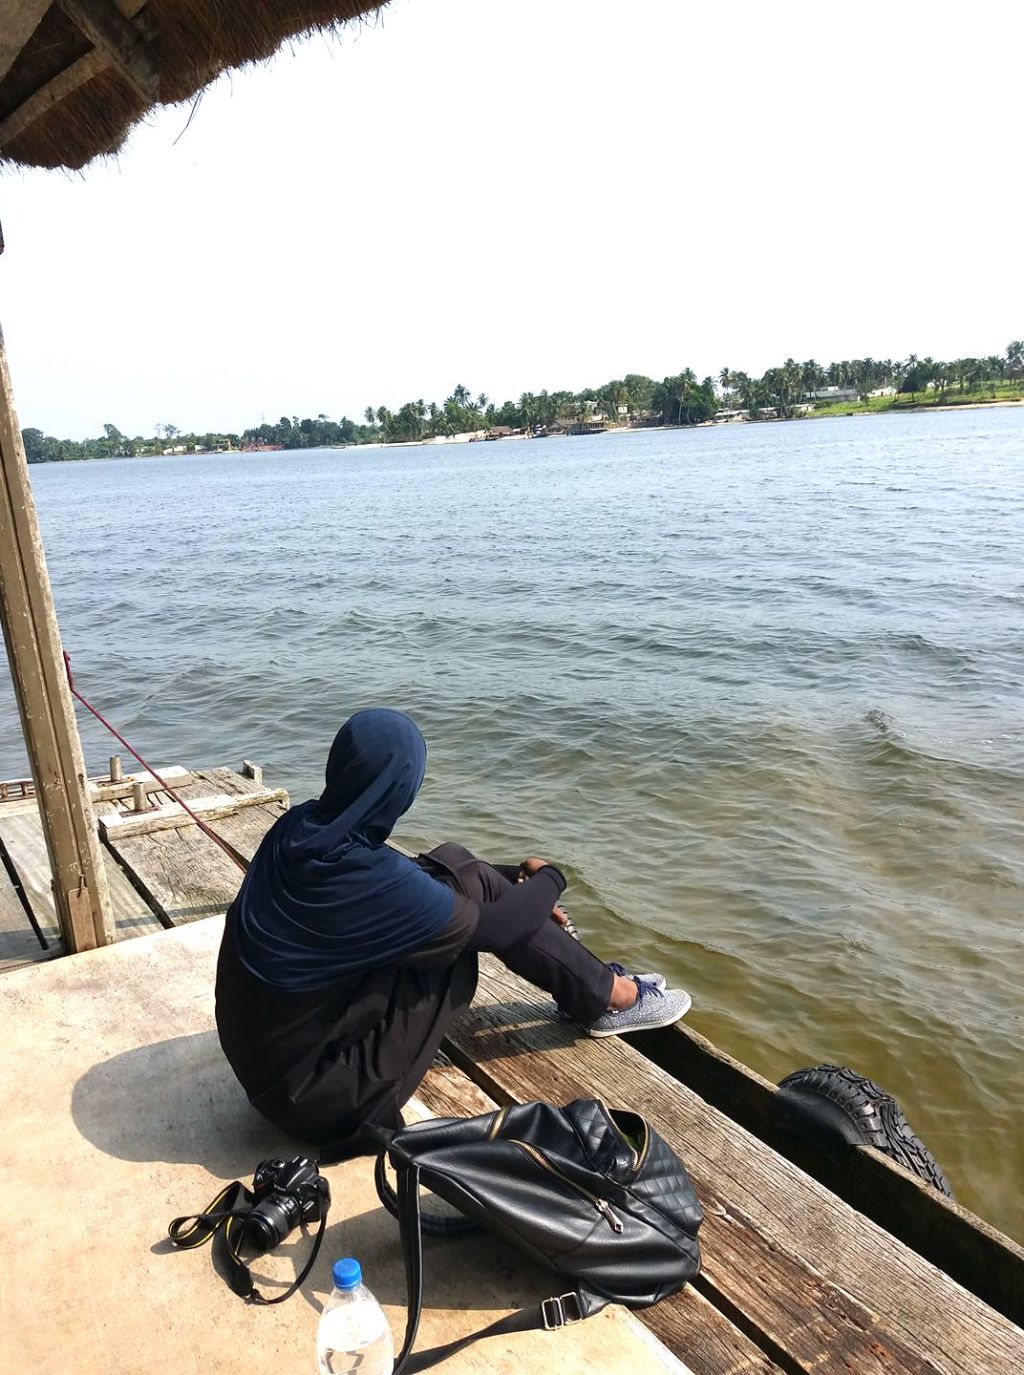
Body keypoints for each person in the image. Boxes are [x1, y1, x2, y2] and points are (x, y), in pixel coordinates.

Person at [215, 708, 691, 1150]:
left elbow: (415, 882)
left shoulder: (299, 827)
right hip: (320, 1101)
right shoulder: (360, 873)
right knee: (456, 947)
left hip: (267, 1064)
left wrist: (508, 879)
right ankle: (613, 997)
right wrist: (551, 878)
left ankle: (596, 991)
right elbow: (499, 930)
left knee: (458, 866)